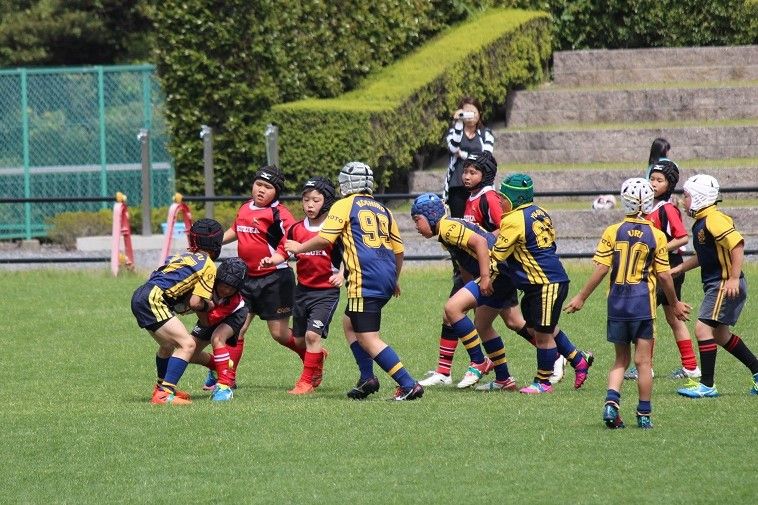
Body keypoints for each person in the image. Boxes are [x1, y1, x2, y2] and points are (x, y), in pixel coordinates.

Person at [285, 161, 423, 401]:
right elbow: (398, 251)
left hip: (364, 279)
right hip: (385, 276)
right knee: (349, 323)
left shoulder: (344, 205)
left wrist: (299, 247)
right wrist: (394, 278)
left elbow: (325, 239)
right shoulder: (384, 209)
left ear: (347, 183)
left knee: (369, 338)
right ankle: (367, 377)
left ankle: (408, 384)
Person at [564, 178, 691, 429]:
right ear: (649, 203)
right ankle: (644, 414)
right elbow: (665, 276)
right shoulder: (656, 235)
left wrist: (581, 297)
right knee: (643, 363)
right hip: (642, 304)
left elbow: (601, 269)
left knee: (621, 360)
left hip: (617, 304)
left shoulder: (612, 231)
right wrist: (675, 303)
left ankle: (611, 403)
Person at [491, 174, 594, 394]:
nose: (499, 201)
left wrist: (485, 277)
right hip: (540, 283)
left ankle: (543, 382)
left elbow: (497, 256)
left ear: (515, 198)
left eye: (502, 197)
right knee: (535, 328)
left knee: (543, 335)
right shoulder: (540, 212)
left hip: (545, 283)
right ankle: (578, 359)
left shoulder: (513, 220)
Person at [206, 165, 301, 390]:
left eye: (267, 187)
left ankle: (312, 357)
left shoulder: (280, 214)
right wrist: (213, 243)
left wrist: (275, 258)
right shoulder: (245, 208)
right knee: (236, 329)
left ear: (276, 192)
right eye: (258, 184)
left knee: (278, 334)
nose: (261, 190)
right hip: (245, 280)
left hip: (275, 279)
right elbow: (236, 230)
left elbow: (292, 240)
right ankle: (227, 378)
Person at [671, 174, 758, 398]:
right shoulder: (701, 223)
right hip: (717, 284)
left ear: (699, 197)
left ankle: (707, 385)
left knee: (702, 329)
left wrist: (733, 278)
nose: (683, 200)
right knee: (720, 335)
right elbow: (705, 256)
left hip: (723, 284)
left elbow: (737, 244)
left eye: (687, 196)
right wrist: (680, 268)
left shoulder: (714, 219)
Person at [260, 177, 343, 395]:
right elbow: (283, 250)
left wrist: (342, 274)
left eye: (315, 200)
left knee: (312, 336)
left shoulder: (334, 229)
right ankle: (318, 357)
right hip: (302, 291)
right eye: (306, 200)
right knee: (299, 340)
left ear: (327, 201)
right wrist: (272, 260)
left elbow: (350, 255)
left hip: (326, 292)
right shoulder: (296, 228)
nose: (309, 205)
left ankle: (305, 383)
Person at [130, 218, 224, 405]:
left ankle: (161, 388)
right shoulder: (208, 265)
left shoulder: (184, 256)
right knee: (187, 345)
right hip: (154, 299)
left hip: (141, 294)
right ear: (216, 243)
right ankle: (164, 394)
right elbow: (195, 302)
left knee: (167, 345)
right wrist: (210, 306)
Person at [631, 160, 700, 380]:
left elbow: (682, 238)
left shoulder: (667, 209)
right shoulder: (647, 208)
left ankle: (645, 367)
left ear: (669, 184)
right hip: (658, 270)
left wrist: (657, 249)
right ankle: (691, 367)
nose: (653, 183)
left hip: (667, 269)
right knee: (673, 318)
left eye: (659, 180)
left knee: (645, 317)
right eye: (652, 178)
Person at [189, 257, 249, 402]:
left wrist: (199, 306)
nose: (227, 290)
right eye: (224, 285)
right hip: (208, 315)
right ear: (218, 279)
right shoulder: (206, 285)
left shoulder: (234, 301)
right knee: (189, 352)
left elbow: (208, 320)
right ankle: (218, 365)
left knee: (217, 338)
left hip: (235, 314)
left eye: (232, 288)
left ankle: (224, 386)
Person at [443, 97, 495, 219]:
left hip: (479, 185)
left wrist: (463, 155)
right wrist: (458, 123)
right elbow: (453, 148)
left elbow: (485, 156)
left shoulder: (485, 134)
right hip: (457, 184)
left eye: (473, 112)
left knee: (479, 220)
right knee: (458, 220)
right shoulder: (453, 132)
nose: (470, 116)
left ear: (479, 113)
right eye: (467, 112)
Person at [462, 151, 502, 234]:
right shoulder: (472, 196)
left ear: (484, 176)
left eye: (472, 173)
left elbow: (505, 229)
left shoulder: (490, 199)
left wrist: (488, 239)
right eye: (465, 172)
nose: (467, 177)